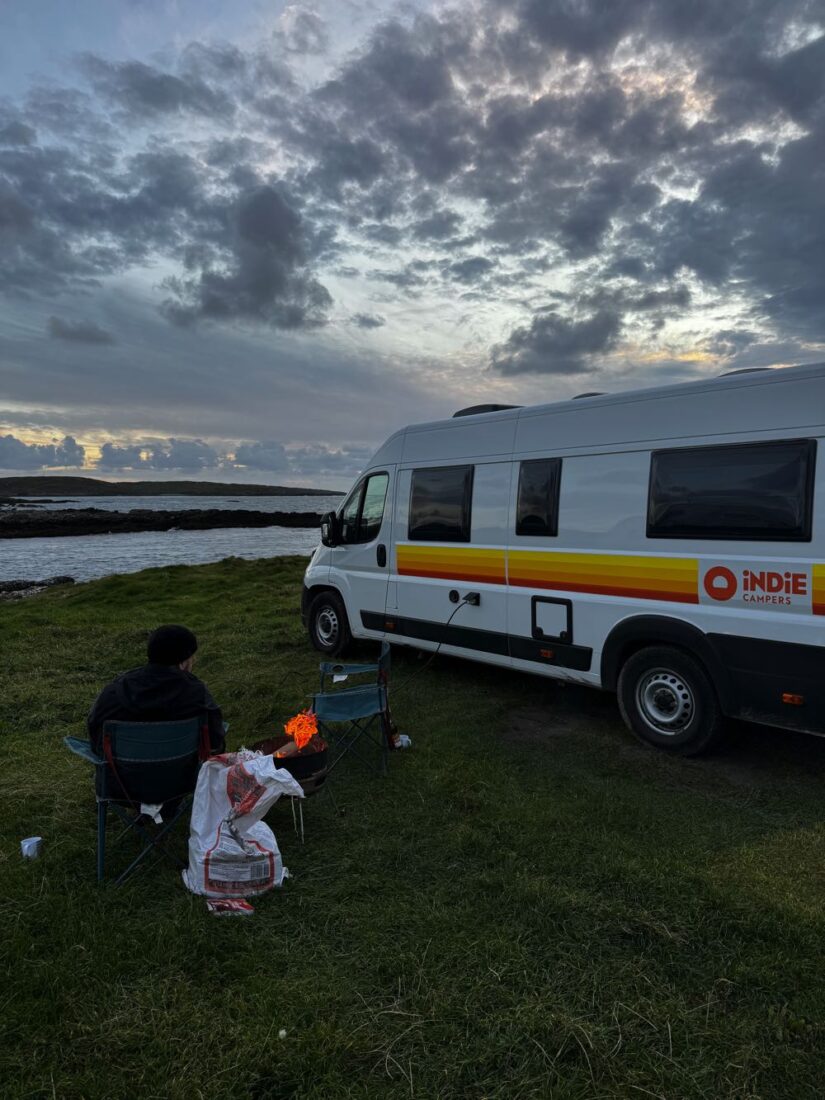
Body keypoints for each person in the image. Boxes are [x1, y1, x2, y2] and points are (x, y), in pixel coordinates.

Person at [87, 624, 226, 756]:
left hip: (122, 771)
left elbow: (95, 735)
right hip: (184, 771)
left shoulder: (115, 690)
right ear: (184, 662)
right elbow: (215, 742)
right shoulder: (197, 693)